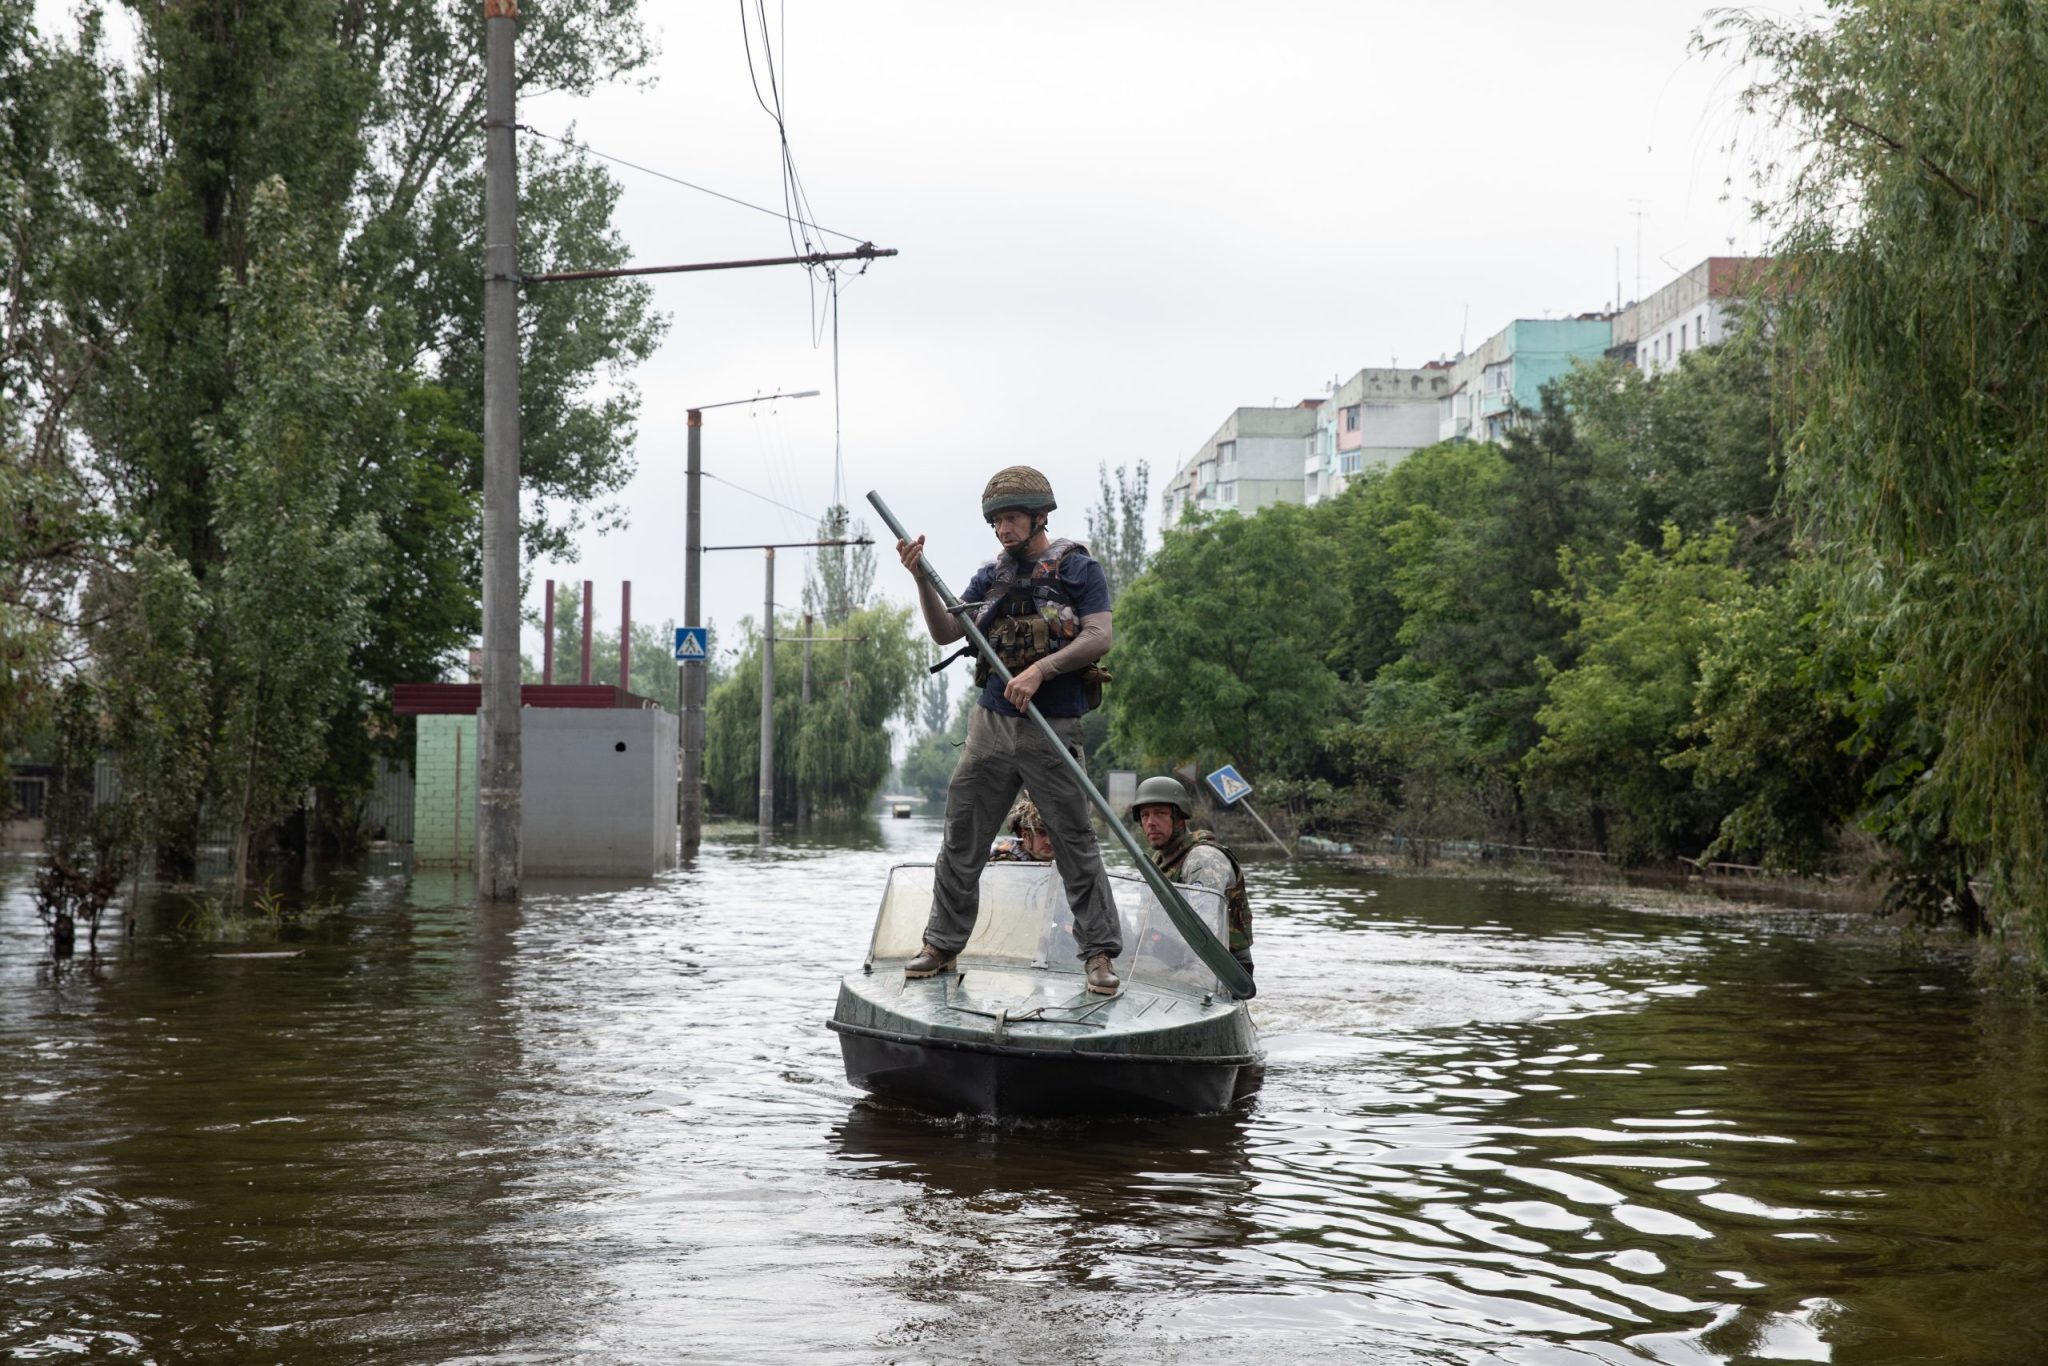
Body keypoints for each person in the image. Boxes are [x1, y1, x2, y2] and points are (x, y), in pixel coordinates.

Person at [895, 465, 1123, 994]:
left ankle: (1098, 955)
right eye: (997, 521)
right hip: (990, 724)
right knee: (961, 837)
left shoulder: (1077, 568)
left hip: (1053, 725)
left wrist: (1041, 670)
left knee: (1074, 842)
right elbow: (946, 631)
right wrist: (921, 579)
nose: (1004, 529)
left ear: (1040, 516)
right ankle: (942, 945)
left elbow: (1099, 636)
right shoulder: (990, 576)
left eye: (1013, 518)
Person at [1129, 775, 1255, 978]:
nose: (1151, 823)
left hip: (1222, 968)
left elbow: (1206, 936)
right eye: (1144, 815)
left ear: (1179, 818)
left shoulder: (1204, 860)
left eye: (1160, 814)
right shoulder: (1158, 862)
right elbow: (1144, 927)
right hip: (1170, 956)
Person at [989, 794, 1055, 863]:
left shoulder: (1061, 860)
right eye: (1042, 833)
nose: (1049, 842)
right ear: (1025, 836)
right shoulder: (1004, 861)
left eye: (1054, 835)